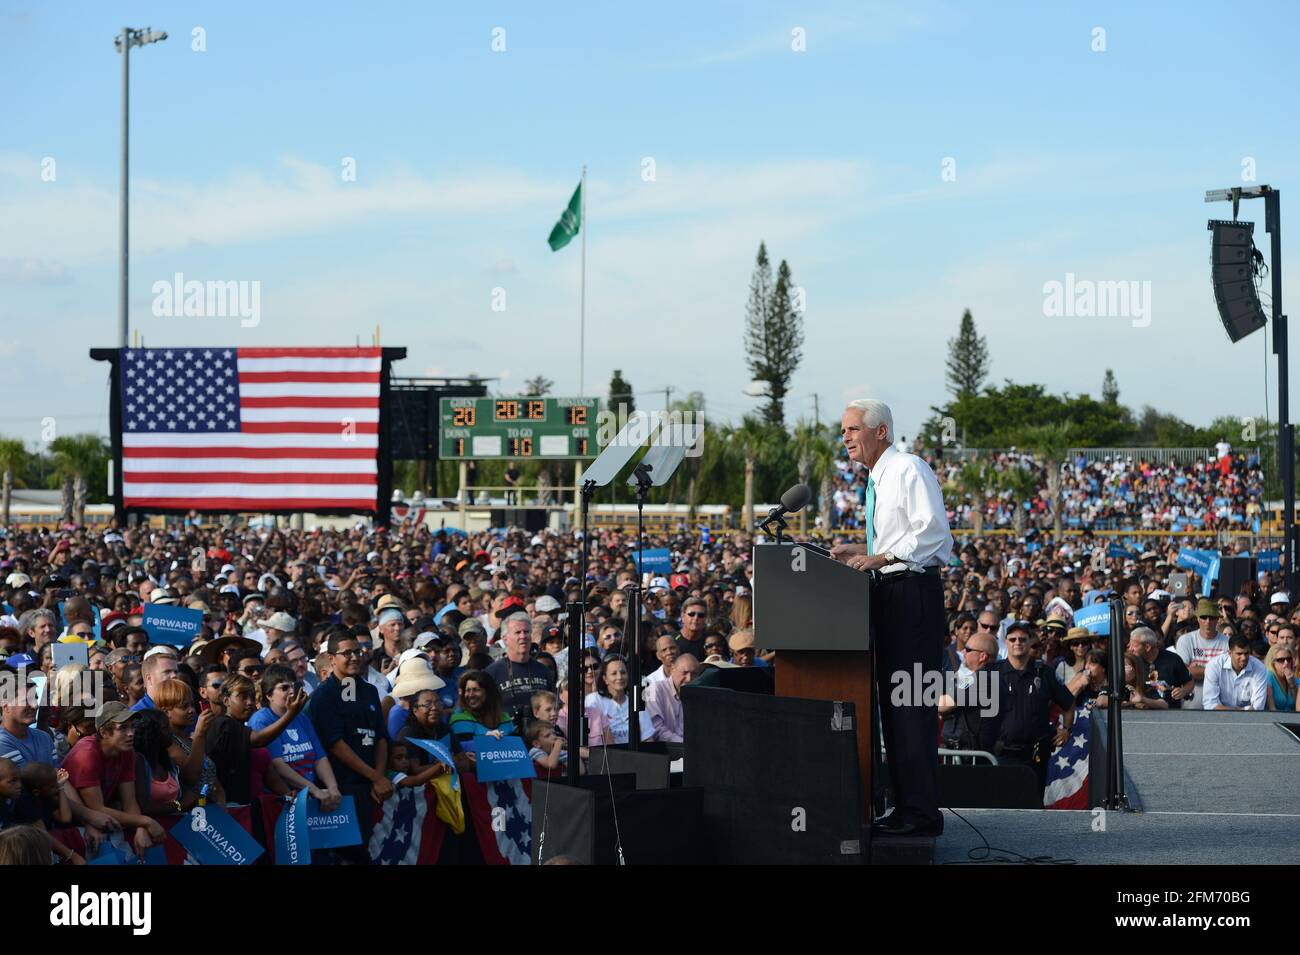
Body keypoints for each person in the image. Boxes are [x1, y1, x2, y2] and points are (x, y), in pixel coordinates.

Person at [833, 398, 952, 837]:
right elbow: (902, 539)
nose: (845, 437)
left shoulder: (908, 469)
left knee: (910, 705)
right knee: (893, 706)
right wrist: (862, 552)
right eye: (843, 430)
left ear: (879, 431)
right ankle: (905, 807)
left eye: (852, 429)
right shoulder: (878, 478)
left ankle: (921, 813)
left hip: (912, 595)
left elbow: (933, 533)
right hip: (891, 591)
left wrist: (881, 555)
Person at [305, 630, 392, 862]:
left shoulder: (370, 691)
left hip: (374, 790)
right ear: (331, 658)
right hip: (342, 789)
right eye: (347, 653)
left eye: (357, 651)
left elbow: (381, 736)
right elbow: (335, 744)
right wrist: (376, 777)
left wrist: (379, 778)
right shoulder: (324, 696)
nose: (354, 657)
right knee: (349, 856)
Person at [980, 621, 1076, 798]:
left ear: (1031, 642)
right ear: (1006, 642)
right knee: (1000, 808)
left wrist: (1066, 730)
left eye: (1023, 639)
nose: (1018, 642)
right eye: (1013, 639)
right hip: (1000, 755)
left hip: (1035, 756)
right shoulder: (992, 673)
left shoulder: (1045, 673)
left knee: (1032, 809)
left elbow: (1068, 704)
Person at [61, 702, 166, 859]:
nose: (131, 733)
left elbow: (129, 801)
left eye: (132, 727)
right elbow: (97, 809)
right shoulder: (87, 754)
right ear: (103, 732)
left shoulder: (127, 751)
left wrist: (141, 829)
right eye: (123, 728)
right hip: (72, 823)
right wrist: (146, 821)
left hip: (101, 819)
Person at [250, 664, 341, 810]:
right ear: (269, 695)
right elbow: (277, 765)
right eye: (284, 688)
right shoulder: (262, 720)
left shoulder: (301, 718)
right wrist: (314, 790)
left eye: (294, 686)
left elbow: (319, 757)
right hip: (282, 802)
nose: (292, 691)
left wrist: (333, 788)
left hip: (310, 796)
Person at [485, 612, 555, 729]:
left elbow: (553, 705)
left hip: (541, 736)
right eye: (518, 632)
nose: (523, 636)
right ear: (505, 639)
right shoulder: (492, 673)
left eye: (526, 632)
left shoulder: (544, 670)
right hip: (508, 737)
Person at [938, 632, 997, 751]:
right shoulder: (989, 676)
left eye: (968, 649)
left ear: (982, 656)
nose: (963, 652)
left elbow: (943, 705)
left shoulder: (982, 680)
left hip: (970, 757)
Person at [1174, 598, 1230, 708]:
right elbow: (1183, 673)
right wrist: (1216, 671)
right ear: (1198, 619)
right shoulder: (1186, 640)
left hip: (1221, 702)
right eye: (1204, 617)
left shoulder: (1227, 642)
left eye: (1212, 618)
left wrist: (1197, 669)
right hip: (1192, 703)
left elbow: (1230, 674)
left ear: (1218, 619)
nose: (1208, 621)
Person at [1127, 626, 1192, 709]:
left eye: (1134, 645)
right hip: (1142, 712)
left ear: (1147, 647)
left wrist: (1183, 691)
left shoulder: (1173, 660)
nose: (1130, 649)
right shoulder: (1132, 662)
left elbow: (1189, 681)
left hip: (1171, 713)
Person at [643, 653, 700, 743]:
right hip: (665, 750)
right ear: (672, 669)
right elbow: (655, 728)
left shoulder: (699, 693)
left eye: (694, 674)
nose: (689, 679)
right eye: (684, 673)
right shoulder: (652, 689)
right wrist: (685, 744)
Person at [1202, 635, 1269, 711]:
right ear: (1230, 653)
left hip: (1249, 719)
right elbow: (1209, 704)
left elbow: (1258, 707)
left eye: (1246, 653)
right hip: (1219, 716)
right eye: (1239, 654)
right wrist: (1240, 711)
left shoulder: (1259, 668)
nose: (1243, 657)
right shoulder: (1214, 665)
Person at [1263, 644, 1298, 711]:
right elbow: (1272, 708)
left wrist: (1291, 683)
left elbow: (1298, 706)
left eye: (1288, 659)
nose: (1286, 663)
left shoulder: (1295, 680)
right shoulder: (1268, 676)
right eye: (1281, 660)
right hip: (1274, 719)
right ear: (1273, 662)